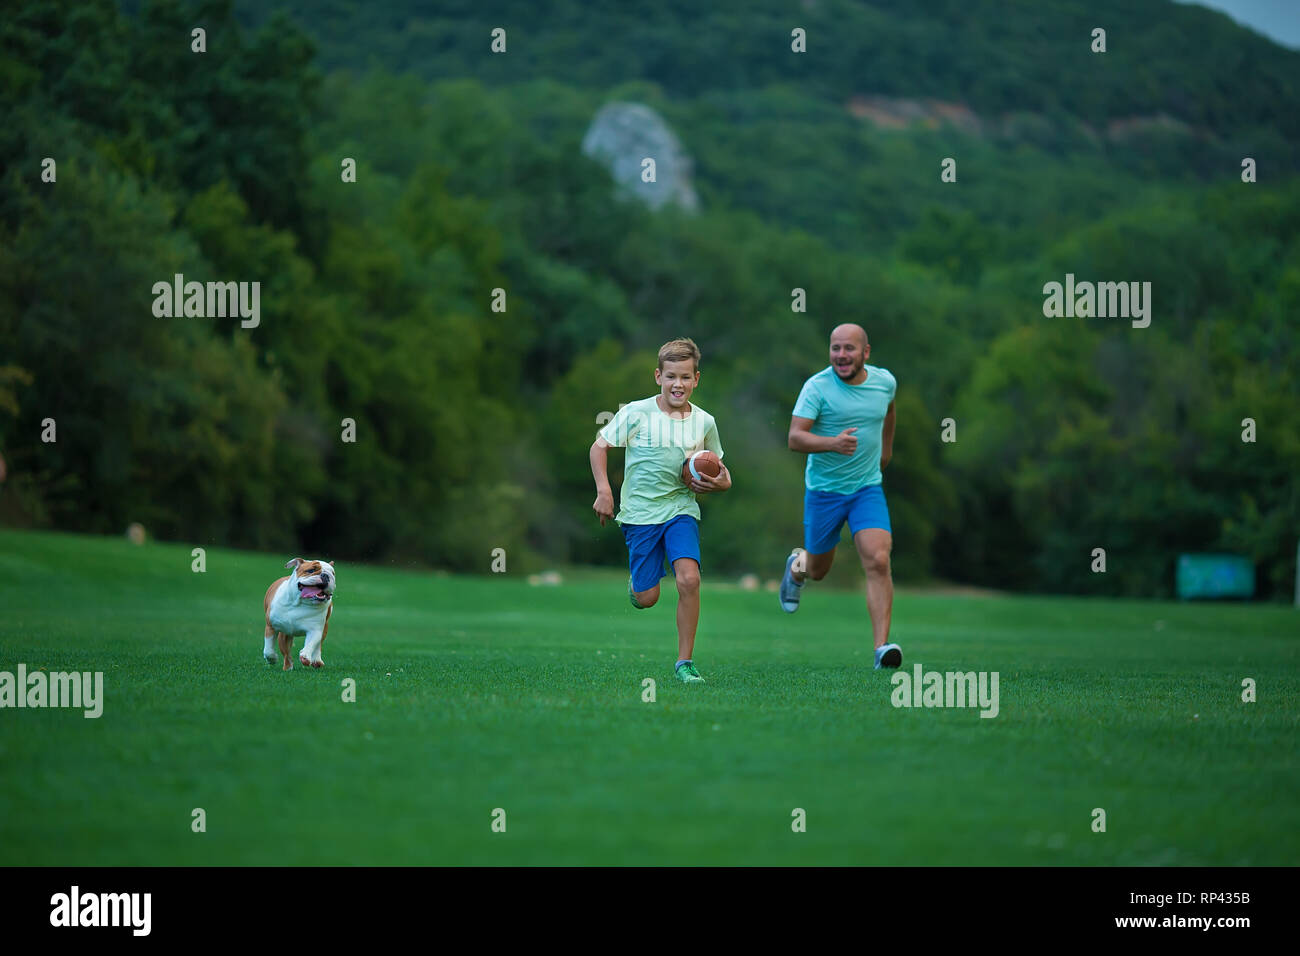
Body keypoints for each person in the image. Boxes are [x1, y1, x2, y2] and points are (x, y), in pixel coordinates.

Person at [590, 337, 731, 684]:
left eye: (685, 377)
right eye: (671, 376)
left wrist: (719, 484)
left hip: (681, 509)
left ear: (696, 379)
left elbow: (720, 470)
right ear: (658, 376)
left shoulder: (705, 422)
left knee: (689, 579)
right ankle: (639, 585)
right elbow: (599, 447)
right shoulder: (635, 412)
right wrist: (604, 491)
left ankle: (685, 662)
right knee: (647, 597)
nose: (678, 384)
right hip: (639, 515)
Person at [779, 324, 902, 670]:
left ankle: (881, 648)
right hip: (825, 492)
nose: (841, 355)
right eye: (835, 348)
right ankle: (798, 566)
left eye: (849, 348)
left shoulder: (885, 383)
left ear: (866, 353)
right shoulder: (816, 388)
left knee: (878, 559)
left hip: (867, 487)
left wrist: (886, 451)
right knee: (818, 570)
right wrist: (832, 443)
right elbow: (794, 438)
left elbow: (889, 411)